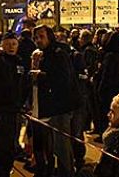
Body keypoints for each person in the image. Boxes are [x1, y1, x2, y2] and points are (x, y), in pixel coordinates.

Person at [31, 25, 82, 177]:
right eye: (36, 37)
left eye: (41, 36)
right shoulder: (44, 54)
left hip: (61, 108)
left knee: (62, 146)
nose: (38, 40)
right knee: (51, 145)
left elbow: (63, 80)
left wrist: (40, 75)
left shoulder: (58, 54)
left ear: (49, 37)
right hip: (49, 108)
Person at [0, 32, 29, 177]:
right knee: (4, 148)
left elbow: (22, 85)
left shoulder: (19, 61)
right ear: (2, 45)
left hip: (14, 111)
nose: (11, 47)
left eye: (14, 44)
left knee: (9, 148)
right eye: (8, 44)